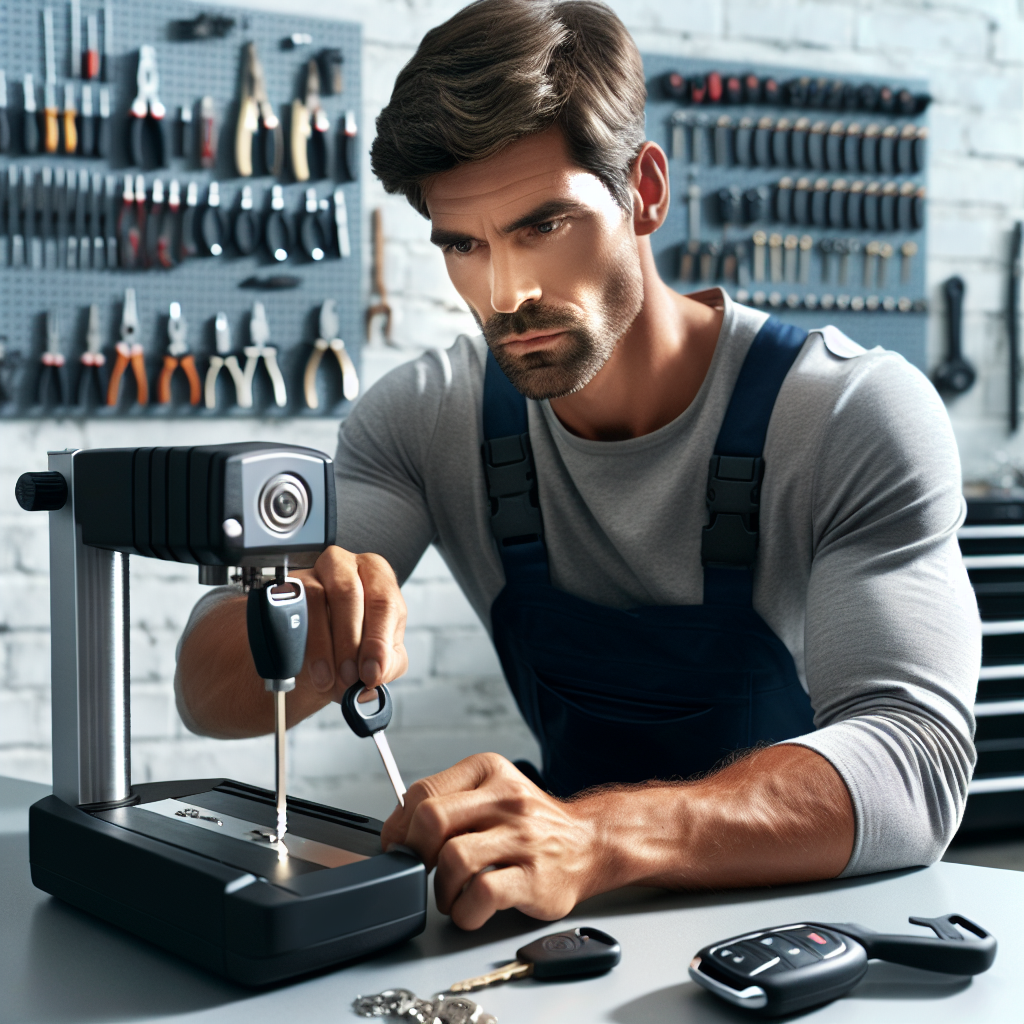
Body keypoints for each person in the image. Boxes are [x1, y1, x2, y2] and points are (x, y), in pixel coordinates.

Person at [177, 0, 979, 931]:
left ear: (644, 190)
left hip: (801, 931)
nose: (507, 292)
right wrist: (310, 634)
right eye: (464, 245)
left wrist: (598, 837)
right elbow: (206, 691)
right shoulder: (423, 419)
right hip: (568, 927)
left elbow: (917, 763)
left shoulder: (847, 413)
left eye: (543, 226)